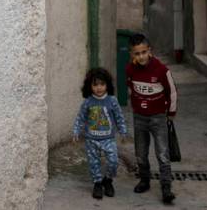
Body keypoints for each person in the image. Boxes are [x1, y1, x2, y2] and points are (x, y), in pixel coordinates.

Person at [125, 33, 178, 204]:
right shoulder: (130, 70)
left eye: (143, 52)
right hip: (139, 118)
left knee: (162, 153)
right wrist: (136, 105)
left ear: (150, 51)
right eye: (136, 53)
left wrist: (170, 113)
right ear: (132, 54)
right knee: (141, 153)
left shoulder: (161, 70)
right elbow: (131, 88)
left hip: (158, 117)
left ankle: (166, 187)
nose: (140, 57)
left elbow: (172, 92)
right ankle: (145, 180)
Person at [73, 67, 127, 200]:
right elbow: (80, 118)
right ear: (89, 86)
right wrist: (76, 131)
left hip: (108, 139)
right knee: (94, 163)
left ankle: (107, 180)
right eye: (95, 84)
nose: (99, 88)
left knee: (113, 161)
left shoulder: (112, 101)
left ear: (107, 85)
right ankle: (97, 183)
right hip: (91, 139)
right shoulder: (88, 102)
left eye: (102, 84)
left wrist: (123, 131)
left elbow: (119, 117)